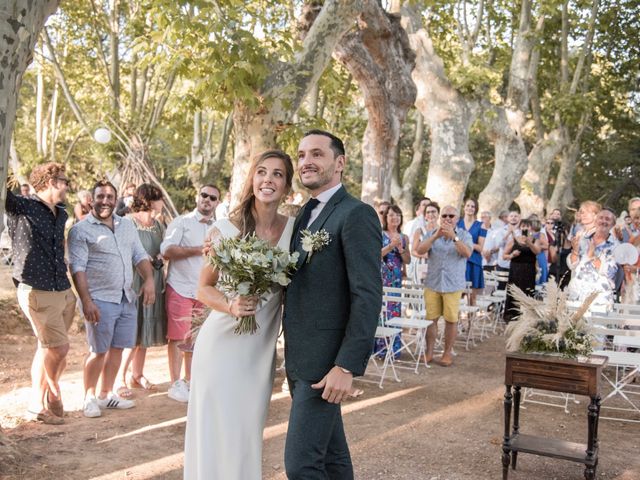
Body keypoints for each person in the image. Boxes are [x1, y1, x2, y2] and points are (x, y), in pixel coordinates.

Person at [183, 150, 296, 479]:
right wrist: (231, 305)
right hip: (220, 345)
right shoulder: (223, 229)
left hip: (258, 351)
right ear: (252, 179)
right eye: (262, 172)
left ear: (287, 185)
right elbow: (203, 288)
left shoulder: (294, 232)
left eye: (277, 174)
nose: (268, 180)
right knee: (214, 428)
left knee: (247, 429)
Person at [283, 130, 381, 479]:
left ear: (339, 164)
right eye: (301, 154)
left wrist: (346, 365)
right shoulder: (301, 215)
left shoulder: (357, 214)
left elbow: (367, 294)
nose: (306, 161)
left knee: (301, 465)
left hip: (326, 364)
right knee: (332, 459)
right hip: (299, 358)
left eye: (317, 154)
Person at [68, 181, 155, 418]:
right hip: (99, 299)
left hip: (126, 297)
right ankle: (89, 396)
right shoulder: (81, 230)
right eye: (100, 196)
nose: (105, 201)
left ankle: (106, 394)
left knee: (117, 349)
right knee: (98, 350)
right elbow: (78, 268)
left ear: (116, 199)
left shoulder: (126, 225)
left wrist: (148, 280)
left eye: (109, 196)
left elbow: (139, 254)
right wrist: (86, 301)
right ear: (91, 200)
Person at [5, 163, 76, 425]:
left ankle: (38, 403)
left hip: (62, 288)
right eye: (64, 180)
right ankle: (53, 393)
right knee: (60, 348)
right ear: (49, 181)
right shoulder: (21, 206)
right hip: (36, 288)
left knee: (47, 349)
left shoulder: (61, 212)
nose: (67, 185)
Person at [160, 184, 219, 403]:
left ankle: (190, 380)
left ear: (217, 203)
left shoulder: (219, 227)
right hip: (181, 287)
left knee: (197, 339)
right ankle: (175, 383)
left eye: (213, 198)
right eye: (204, 195)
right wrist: (197, 250)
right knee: (177, 337)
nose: (207, 200)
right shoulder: (181, 222)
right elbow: (166, 250)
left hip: (205, 291)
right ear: (197, 197)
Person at [117, 184, 167, 396]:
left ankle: (137, 374)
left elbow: (164, 249)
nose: (162, 202)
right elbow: (123, 249)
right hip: (134, 280)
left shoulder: (158, 225)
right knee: (131, 330)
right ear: (149, 200)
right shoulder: (128, 223)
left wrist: (160, 259)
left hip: (154, 279)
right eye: (159, 198)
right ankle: (119, 378)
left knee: (145, 328)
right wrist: (144, 259)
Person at [414, 205, 472, 366]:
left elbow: (467, 253)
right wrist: (435, 236)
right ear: (440, 218)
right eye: (444, 215)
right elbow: (419, 250)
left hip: (453, 285)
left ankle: (447, 353)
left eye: (451, 216)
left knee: (451, 320)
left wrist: (454, 237)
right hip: (432, 283)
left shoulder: (464, 235)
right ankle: (430, 352)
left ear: (457, 219)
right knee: (431, 319)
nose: (447, 218)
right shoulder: (432, 233)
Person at [567, 208, 619, 310]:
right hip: (576, 295)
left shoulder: (616, 245)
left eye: (607, 219)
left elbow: (609, 272)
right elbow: (572, 265)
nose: (603, 221)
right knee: (572, 326)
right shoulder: (583, 239)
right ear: (595, 220)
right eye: (601, 218)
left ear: (613, 224)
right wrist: (575, 251)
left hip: (599, 299)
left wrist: (592, 256)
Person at [377, 205, 410, 357]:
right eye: (391, 215)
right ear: (386, 218)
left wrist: (401, 248)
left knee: (394, 311)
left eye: (398, 215)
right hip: (381, 278)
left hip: (396, 280)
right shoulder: (379, 234)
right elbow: (376, 255)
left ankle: (393, 349)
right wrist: (391, 246)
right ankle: (379, 349)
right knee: (381, 312)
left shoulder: (404, 237)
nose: (395, 218)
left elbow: (407, 260)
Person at [503, 218, 542, 322]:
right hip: (515, 270)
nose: (525, 228)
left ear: (531, 228)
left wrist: (529, 243)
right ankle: (512, 316)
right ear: (520, 228)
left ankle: (526, 318)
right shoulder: (514, 240)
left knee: (527, 292)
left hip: (529, 270)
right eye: (523, 226)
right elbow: (504, 256)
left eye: (527, 226)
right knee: (514, 292)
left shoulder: (535, 240)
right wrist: (512, 254)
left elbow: (537, 252)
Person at [457, 198, 486, 304]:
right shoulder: (457, 223)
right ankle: (456, 320)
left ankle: (472, 320)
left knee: (472, 297)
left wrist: (465, 243)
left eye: (473, 206)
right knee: (458, 295)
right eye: (468, 205)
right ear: (464, 208)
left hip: (474, 262)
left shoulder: (480, 225)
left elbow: (480, 247)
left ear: (476, 209)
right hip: (459, 261)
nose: (470, 208)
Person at [411, 202, 440, 284]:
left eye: (433, 212)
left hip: (438, 268)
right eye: (428, 212)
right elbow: (413, 251)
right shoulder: (419, 231)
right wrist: (426, 255)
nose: (431, 214)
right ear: (425, 216)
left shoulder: (443, 231)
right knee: (420, 294)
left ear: (438, 214)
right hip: (421, 267)